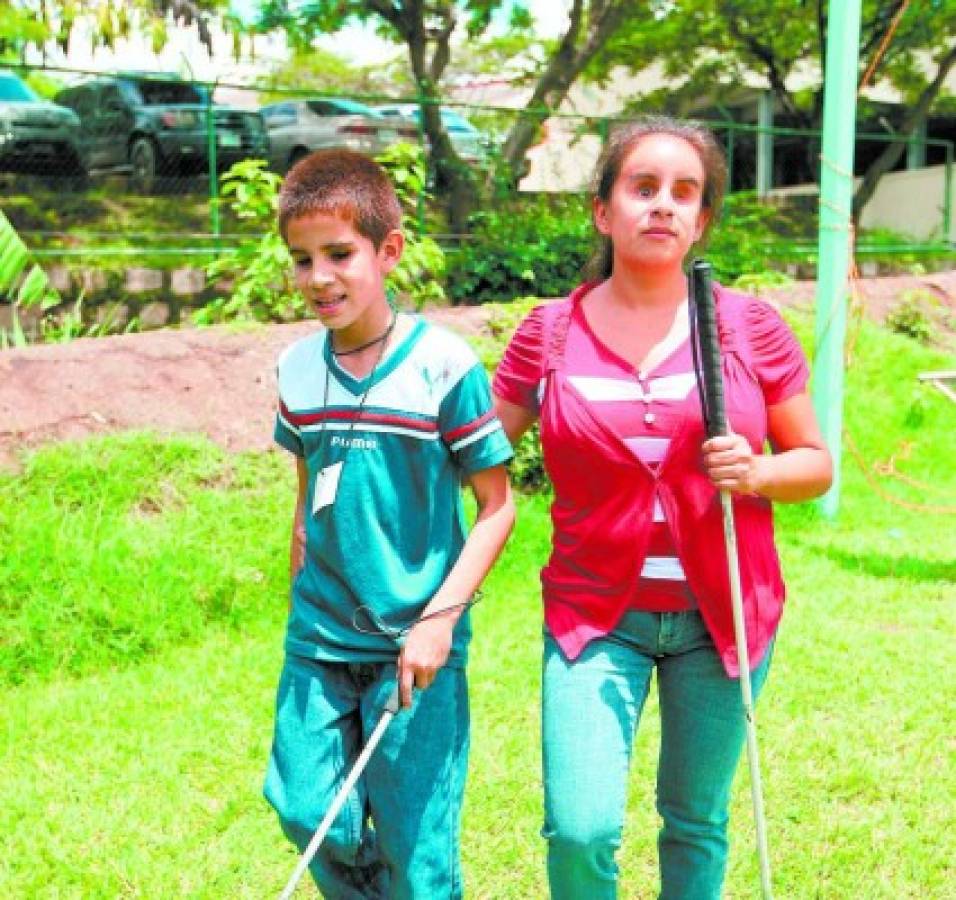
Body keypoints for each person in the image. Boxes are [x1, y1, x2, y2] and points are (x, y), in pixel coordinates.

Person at [492, 116, 833, 899]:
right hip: (593, 616)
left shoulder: (748, 327)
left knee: (695, 821)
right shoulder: (548, 333)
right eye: (642, 188)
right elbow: (477, 451)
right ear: (603, 209)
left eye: (685, 193)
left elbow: (815, 465)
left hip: (724, 618)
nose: (664, 206)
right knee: (579, 830)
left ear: (703, 218)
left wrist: (755, 472)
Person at [264, 148, 514, 899]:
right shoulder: (296, 371)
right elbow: (307, 496)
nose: (319, 277)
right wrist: (299, 594)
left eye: (339, 254)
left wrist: (440, 620)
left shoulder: (444, 365)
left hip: (418, 649)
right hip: (319, 639)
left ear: (388, 251)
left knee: (418, 851)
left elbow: (497, 508)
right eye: (301, 260)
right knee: (308, 811)